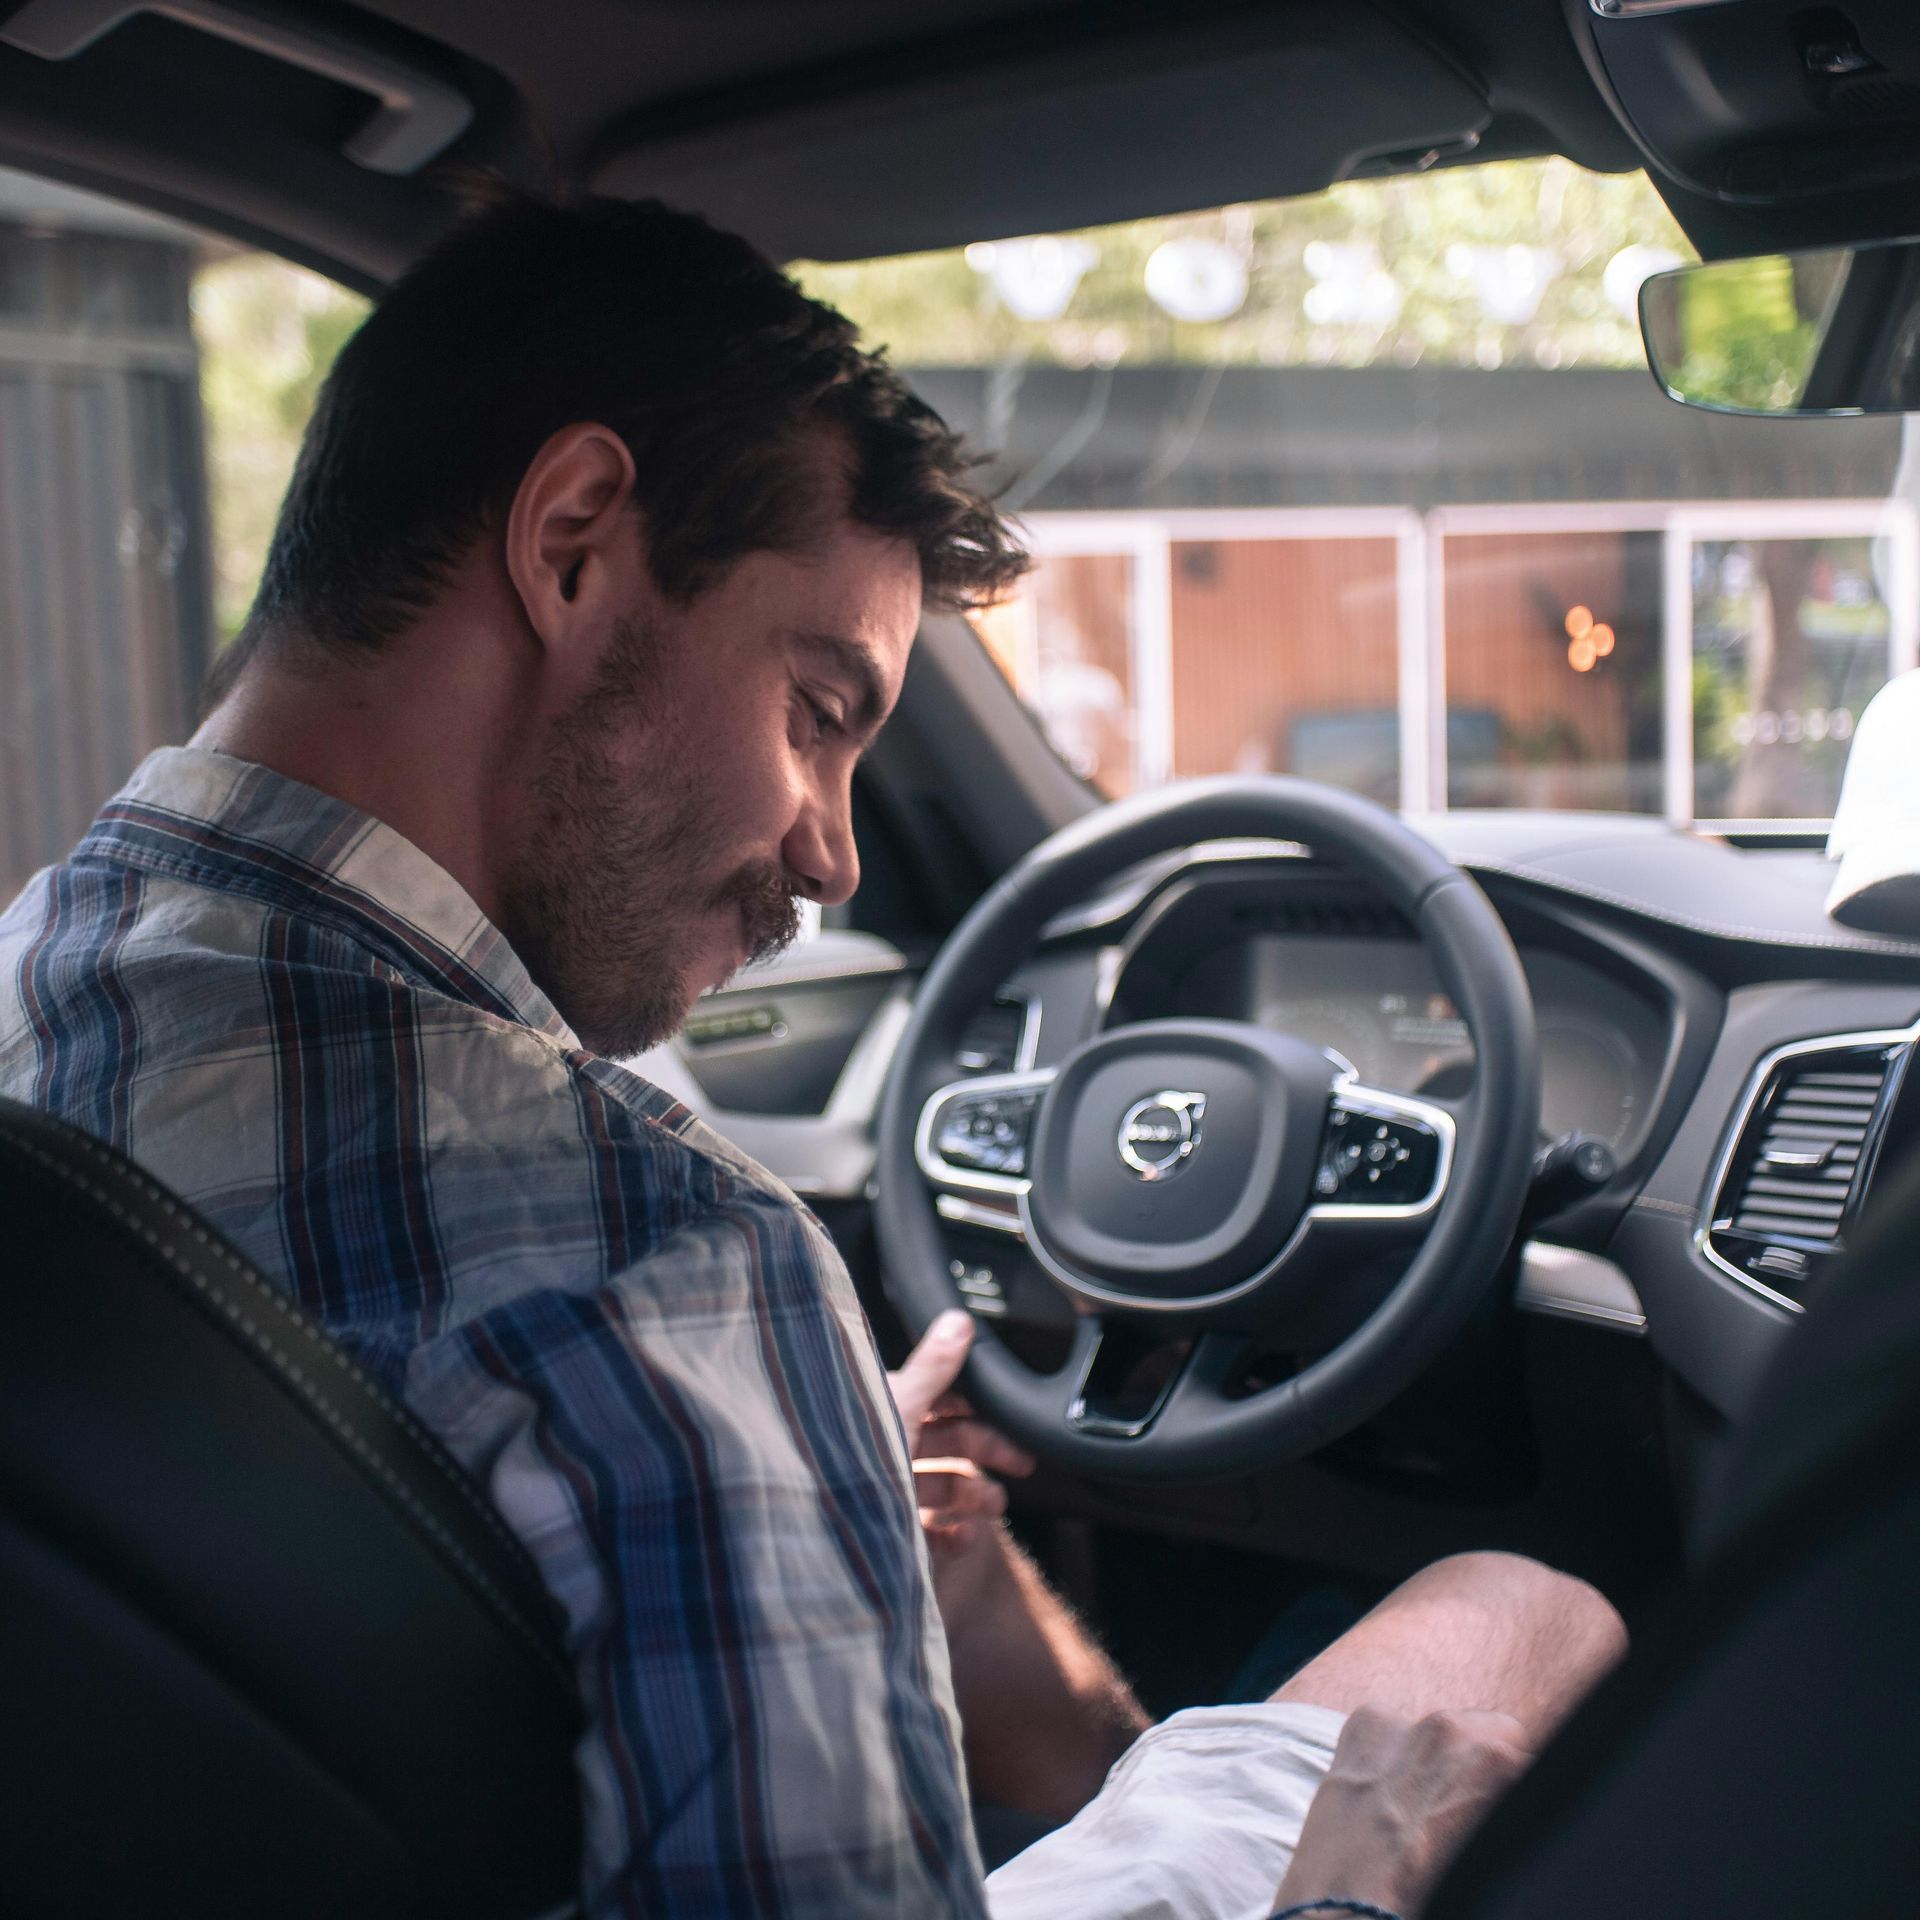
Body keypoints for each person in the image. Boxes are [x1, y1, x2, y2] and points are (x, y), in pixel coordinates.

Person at [0, 192, 1624, 1918]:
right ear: (571, 543)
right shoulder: (664, 1264)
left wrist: (801, 1475)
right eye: (820, 713)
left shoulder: (38, 985)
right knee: (1516, 1623)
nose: (835, 852)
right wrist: (1348, 1902)